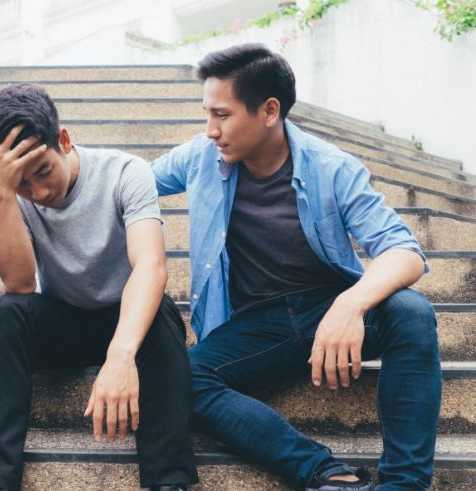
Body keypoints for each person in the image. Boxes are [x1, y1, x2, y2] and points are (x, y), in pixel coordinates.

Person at [151, 43, 441, 490]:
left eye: (222, 115)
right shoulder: (200, 157)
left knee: (412, 312)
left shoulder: (331, 167)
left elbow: (403, 252)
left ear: (269, 111)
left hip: (329, 306)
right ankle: (324, 472)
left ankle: (404, 484)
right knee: (186, 378)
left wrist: (349, 306)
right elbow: (126, 181)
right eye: (207, 114)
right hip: (257, 326)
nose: (210, 130)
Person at [0, 84, 198, 491]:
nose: (40, 193)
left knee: (162, 311)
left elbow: (152, 267)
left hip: (127, 322)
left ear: (64, 140)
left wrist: (121, 357)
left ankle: (169, 481)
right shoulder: (8, 192)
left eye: (44, 172)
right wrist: (1, 192)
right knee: (8, 311)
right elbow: (19, 284)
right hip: (62, 324)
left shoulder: (125, 172)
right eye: (23, 184)